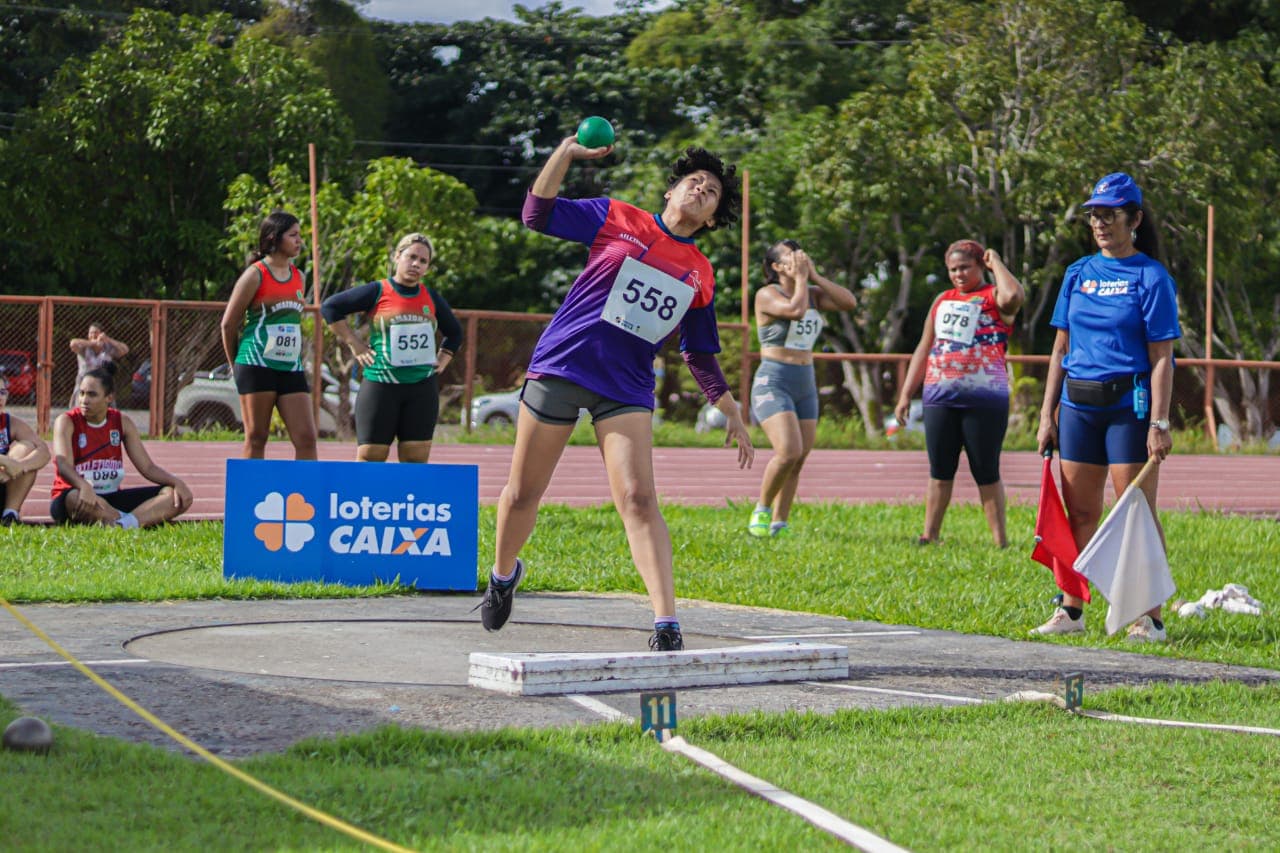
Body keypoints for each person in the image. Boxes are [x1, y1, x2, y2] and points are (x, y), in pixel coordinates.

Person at [476, 137, 754, 652]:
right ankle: (502, 575)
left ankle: (667, 624)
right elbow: (536, 214)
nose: (700, 189)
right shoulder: (617, 216)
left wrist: (729, 407)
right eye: (693, 181)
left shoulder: (701, 273)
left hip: (625, 386)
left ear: (713, 218)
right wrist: (565, 154)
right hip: (564, 364)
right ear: (670, 191)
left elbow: (698, 351)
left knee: (639, 499)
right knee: (521, 493)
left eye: (712, 191)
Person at [1031, 172, 1180, 642]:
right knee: (1079, 512)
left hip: (1127, 407)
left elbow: (1162, 358)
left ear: (1133, 220)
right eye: (1094, 214)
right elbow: (1060, 348)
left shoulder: (1151, 277)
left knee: (1135, 512)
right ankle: (1071, 609)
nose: (1099, 222)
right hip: (1078, 405)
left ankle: (1149, 616)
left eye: (1109, 214)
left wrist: (1159, 422)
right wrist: (1046, 414)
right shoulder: (1077, 273)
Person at [895, 239, 1025, 547]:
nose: (959, 274)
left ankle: (1000, 541)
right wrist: (905, 394)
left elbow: (1014, 296)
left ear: (980, 266)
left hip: (985, 399)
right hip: (940, 397)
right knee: (940, 469)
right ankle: (930, 535)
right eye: (953, 269)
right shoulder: (942, 300)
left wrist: (997, 263)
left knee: (986, 470)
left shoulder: (993, 297)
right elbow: (924, 347)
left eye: (965, 267)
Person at [321, 232, 464, 462]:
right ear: (397, 256)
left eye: (423, 261)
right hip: (381, 385)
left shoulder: (431, 297)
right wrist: (355, 343)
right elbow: (330, 308)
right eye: (411, 257)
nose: (416, 264)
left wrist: (442, 360)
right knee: (371, 456)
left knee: (415, 459)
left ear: (427, 268)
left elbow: (455, 333)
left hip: (421, 388)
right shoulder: (378, 291)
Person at [747, 240, 856, 537]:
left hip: (805, 381)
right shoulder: (767, 294)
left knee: (799, 457)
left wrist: (815, 277)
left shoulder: (812, 294)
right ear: (776, 267)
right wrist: (803, 280)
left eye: (800, 255)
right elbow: (795, 311)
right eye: (790, 257)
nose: (799, 260)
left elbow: (849, 303)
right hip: (775, 379)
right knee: (788, 451)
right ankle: (762, 509)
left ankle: (780, 522)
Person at [219, 210, 318, 460]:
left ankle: (304, 486)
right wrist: (234, 364)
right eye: (293, 235)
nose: (299, 241)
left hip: (290, 366)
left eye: (300, 235)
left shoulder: (299, 277)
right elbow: (228, 324)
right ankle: (250, 485)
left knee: (306, 437)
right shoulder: (255, 274)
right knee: (257, 436)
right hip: (256, 364)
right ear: (274, 237)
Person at [50, 366, 193, 528]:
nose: (84, 400)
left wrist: (176, 482)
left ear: (109, 397)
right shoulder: (67, 421)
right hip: (76, 493)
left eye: (92, 394)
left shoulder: (122, 422)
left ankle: (122, 524)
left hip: (111, 496)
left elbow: (147, 467)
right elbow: (63, 464)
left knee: (173, 495)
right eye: (81, 393)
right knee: (73, 498)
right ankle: (134, 520)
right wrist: (84, 486)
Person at [0, 375, 51, 525]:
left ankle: (9, 515)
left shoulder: (11, 423)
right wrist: (5, 461)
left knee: (27, 448)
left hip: (3, 481)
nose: (0, 397)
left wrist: (20, 466)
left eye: (2, 392)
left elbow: (43, 451)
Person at [68, 322, 129, 409]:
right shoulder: (84, 348)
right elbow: (73, 344)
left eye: (96, 332)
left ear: (102, 334)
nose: (93, 335)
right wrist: (93, 343)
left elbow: (125, 350)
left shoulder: (107, 348)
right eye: (91, 333)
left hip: (102, 386)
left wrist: (108, 339)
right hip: (85, 385)